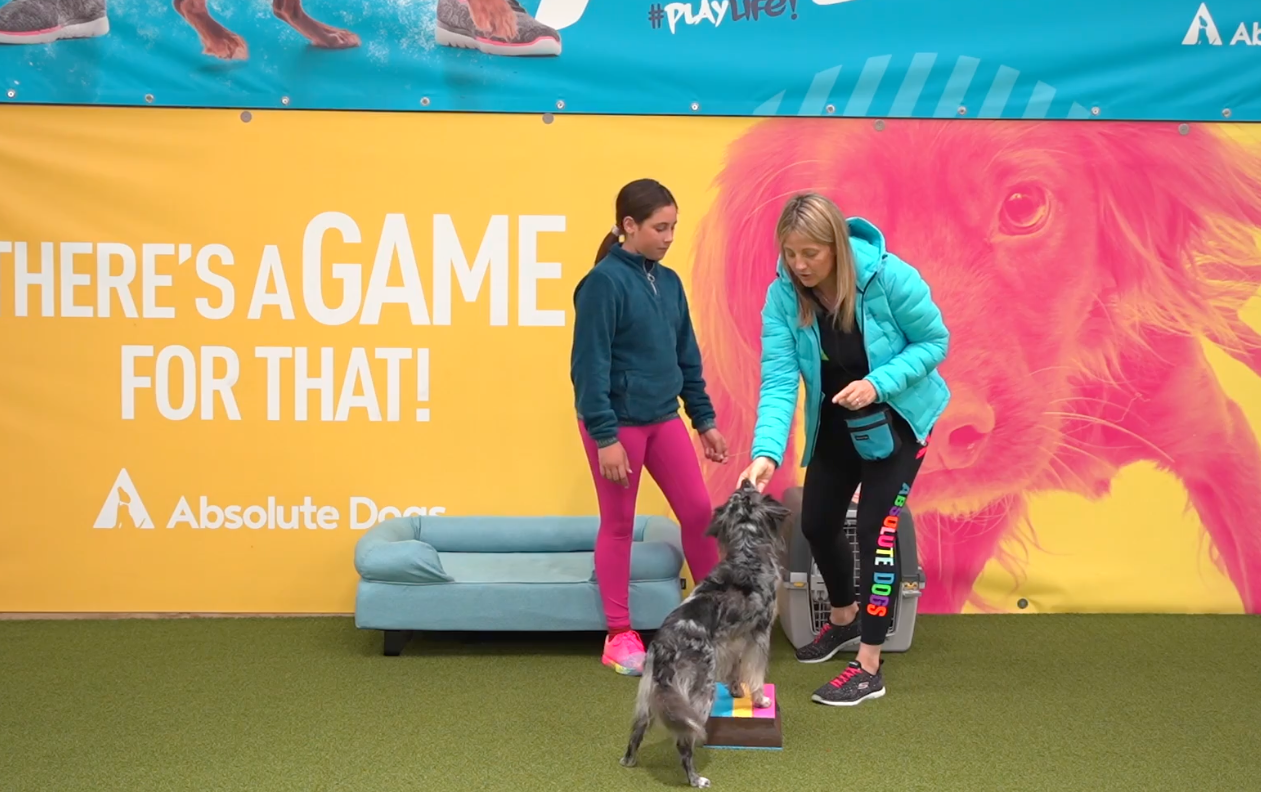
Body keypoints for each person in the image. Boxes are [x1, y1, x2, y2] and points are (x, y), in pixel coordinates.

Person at [737, 192, 950, 706]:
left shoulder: (890, 277)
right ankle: (844, 618)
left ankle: (869, 665)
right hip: (837, 423)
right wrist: (765, 452)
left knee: (877, 535)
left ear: (835, 245)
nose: (799, 265)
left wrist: (878, 384)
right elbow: (781, 379)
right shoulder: (784, 294)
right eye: (790, 253)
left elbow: (934, 342)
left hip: (899, 420)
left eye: (810, 253)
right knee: (815, 523)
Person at [570, 178, 730, 677]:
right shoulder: (603, 283)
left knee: (699, 510)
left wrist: (702, 420)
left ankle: (711, 622)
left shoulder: (671, 283)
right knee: (618, 523)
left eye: (674, 227)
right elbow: (587, 368)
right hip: (617, 425)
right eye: (660, 228)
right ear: (628, 226)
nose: (668, 237)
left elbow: (687, 356)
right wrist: (606, 437)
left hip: (663, 419)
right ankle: (619, 635)